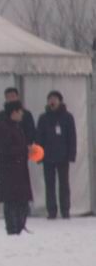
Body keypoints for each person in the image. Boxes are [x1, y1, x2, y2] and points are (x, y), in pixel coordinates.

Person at [0, 101, 33, 234]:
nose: (22, 114)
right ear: (14, 112)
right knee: (11, 201)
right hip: (9, 172)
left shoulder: (17, 127)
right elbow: (4, 149)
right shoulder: (3, 128)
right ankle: (12, 227)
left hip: (19, 170)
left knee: (22, 201)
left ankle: (19, 226)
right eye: (20, 111)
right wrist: (24, 149)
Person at [37, 90, 77, 220]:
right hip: (48, 156)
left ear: (60, 101)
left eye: (54, 98)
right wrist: (39, 155)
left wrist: (71, 154)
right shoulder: (43, 118)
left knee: (64, 184)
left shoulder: (67, 117)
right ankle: (51, 210)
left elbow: (72, 137)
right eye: (50, 99)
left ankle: (65, 210)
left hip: (63, 156)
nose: (52, 101)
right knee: (49, 184)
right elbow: (39, 137)